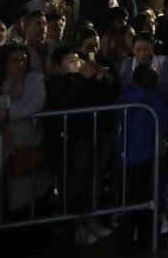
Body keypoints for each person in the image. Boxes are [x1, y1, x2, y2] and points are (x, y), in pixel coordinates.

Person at [44, 46, 119, 245]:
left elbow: (101, 102)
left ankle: (88, 218)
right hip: (67, 141)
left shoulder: (84, 80)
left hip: (89, 136)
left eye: (78, 59)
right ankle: (74, 225)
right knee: (72, 185)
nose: (77, 63)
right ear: (58, 66)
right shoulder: (54, 83)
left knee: (88, 182)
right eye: (70, 60)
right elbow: (64, 102)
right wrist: (83, 78)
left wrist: (101, 81)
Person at [0, 43, 51, 221]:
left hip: (25, 144)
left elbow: (35, 104)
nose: (20, 64)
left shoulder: (35, 79)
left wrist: (5, 114)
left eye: (23, 60)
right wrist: (7, 99)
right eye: (15, 61)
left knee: (25, 199)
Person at [120, 64, 168, 245]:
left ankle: (128, 234)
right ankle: (145, 233)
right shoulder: (153, 98)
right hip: (145, 150)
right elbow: (165, 118)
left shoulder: (126, 94)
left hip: (127, 150)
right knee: (144, 192)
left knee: (133, 192)